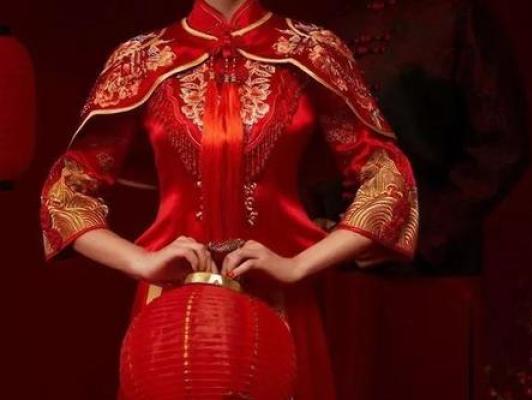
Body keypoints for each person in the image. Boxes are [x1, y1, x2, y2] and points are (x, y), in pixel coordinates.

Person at [39, 0, 418, 398]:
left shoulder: (311, 51)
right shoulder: (142, 58)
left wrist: (298, 266)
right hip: (171, 310)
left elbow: (388, 179)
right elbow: (65, 192)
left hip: (280, 299)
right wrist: (140, 261)